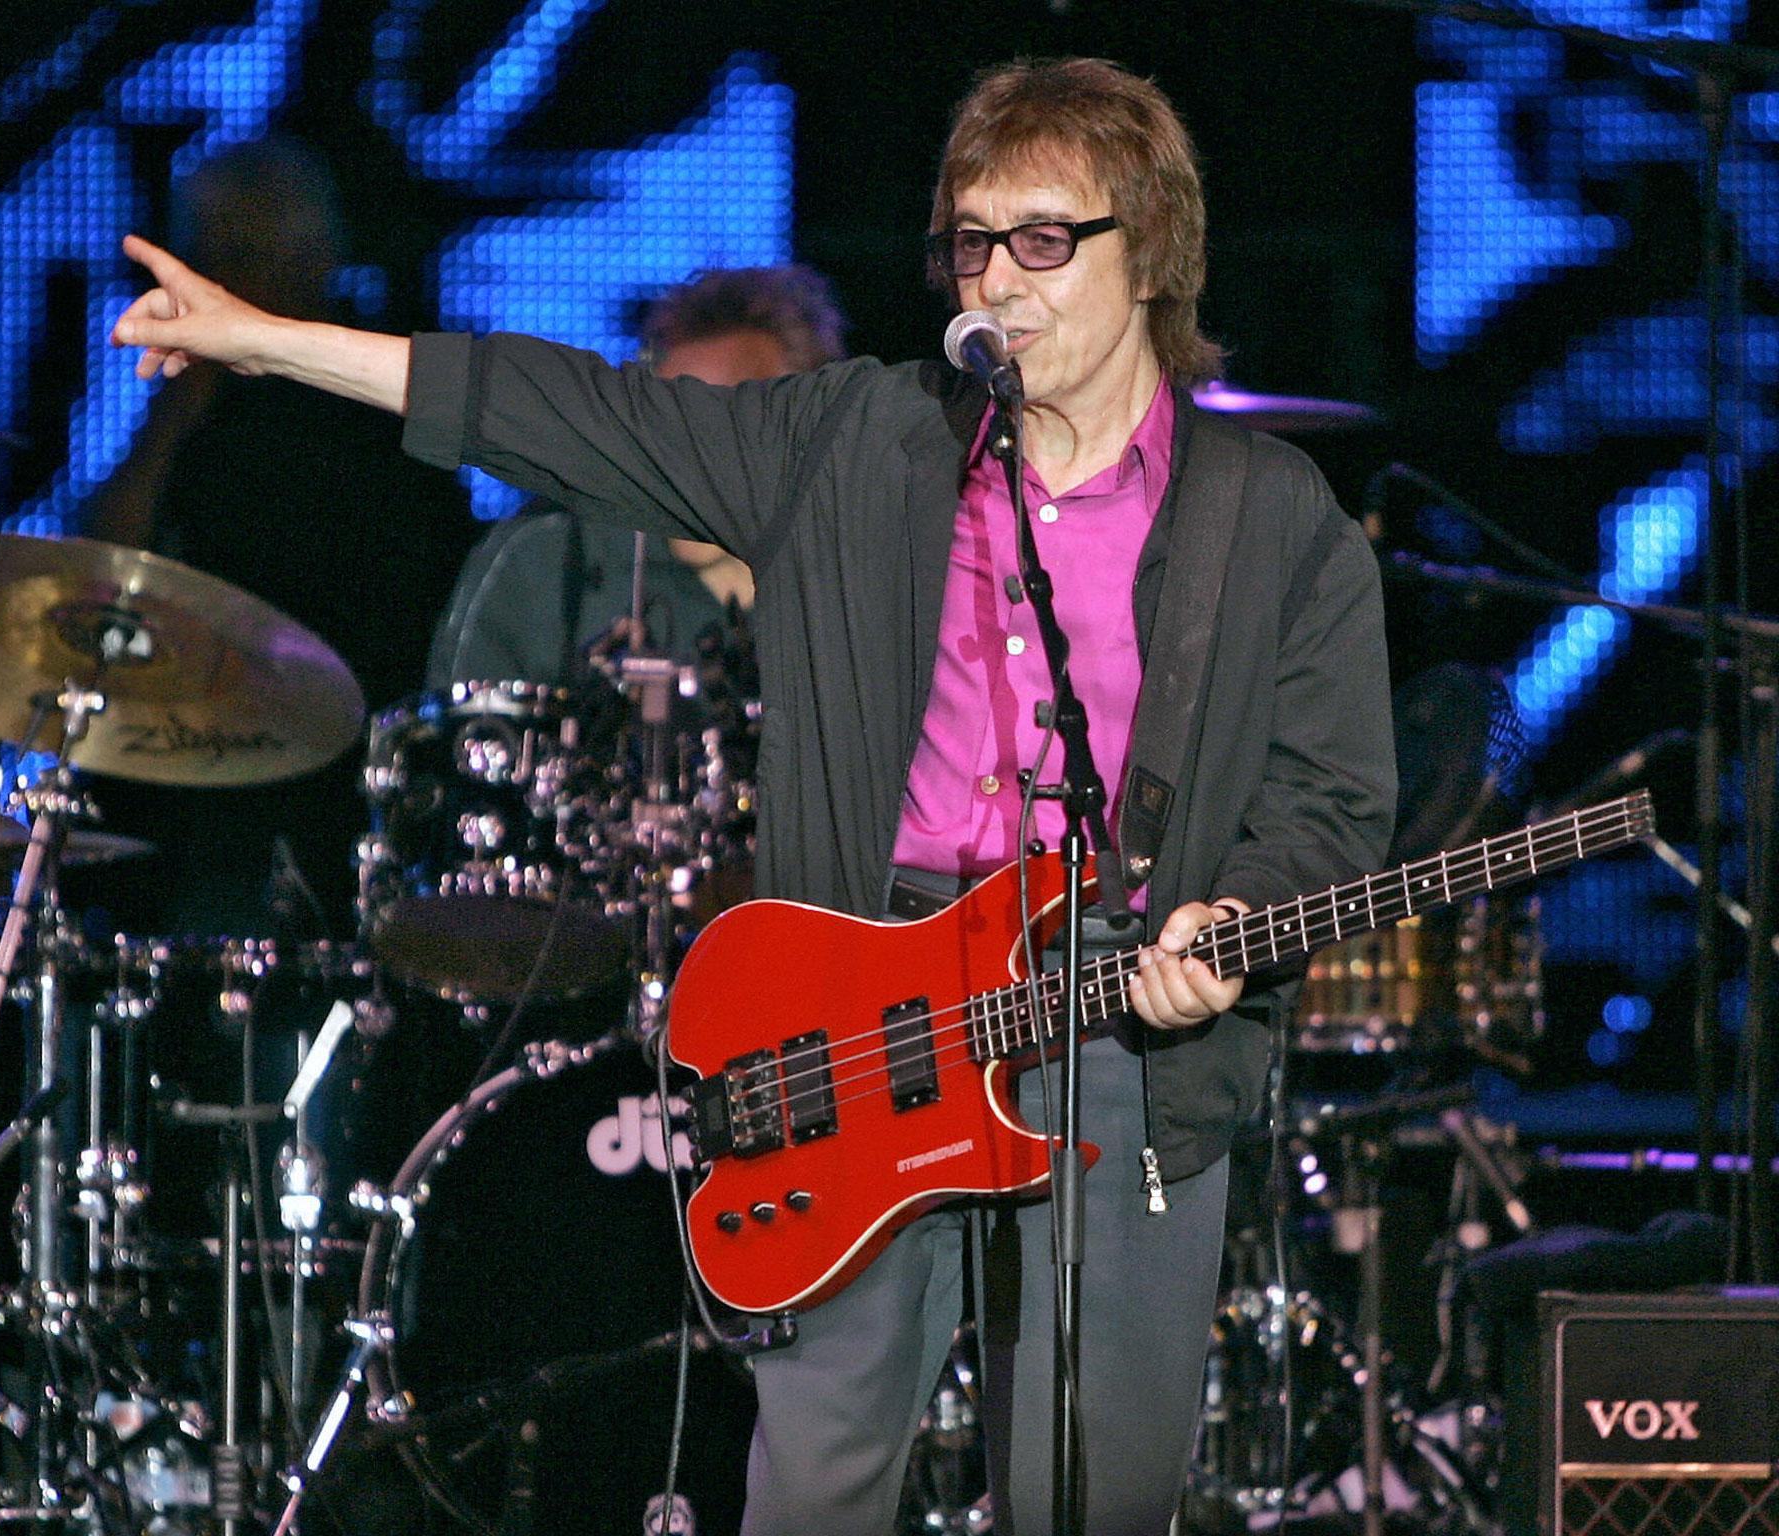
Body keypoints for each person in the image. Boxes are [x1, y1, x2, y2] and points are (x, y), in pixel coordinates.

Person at [111, 55, 1395, 1536]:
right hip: (865, 1022)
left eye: (1045, 238)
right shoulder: (860, 442)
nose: (1000, 279)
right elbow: (560, 409)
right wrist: (268, 342)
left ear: (1152, 254)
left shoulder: (1271, 521)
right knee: (811, 1493)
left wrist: (1235, 917)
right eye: (973, 241)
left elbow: (1332, 808)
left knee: (1094, 1500)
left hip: (1122, 1029)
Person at [81, 136, 476, 935]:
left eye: (249, 255)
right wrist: (181, 410)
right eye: (211, 255)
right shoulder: (196, 400)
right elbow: (107, 559)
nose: (226, 281)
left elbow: (421, 598)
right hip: (187, 761)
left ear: (318, 261)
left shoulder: (379, 395)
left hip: (342, 771)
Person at [423, 263, 847, 688]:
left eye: (724, 428)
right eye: (668, 421)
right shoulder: (549, 559)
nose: (688, 457)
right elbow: (457, 740)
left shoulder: (869, 578)